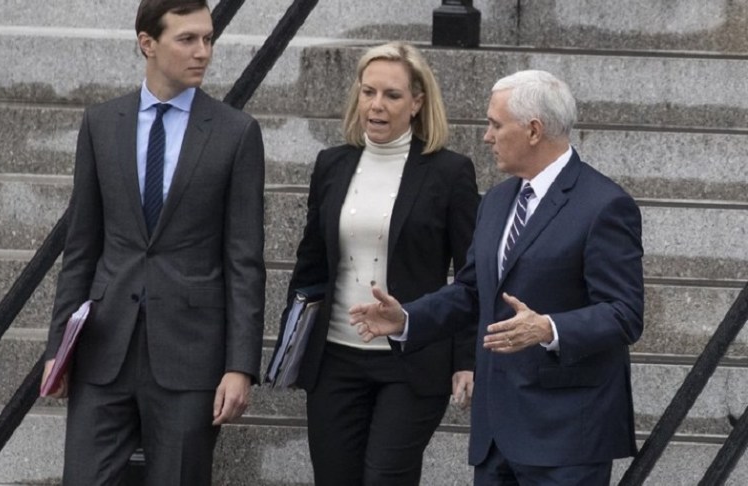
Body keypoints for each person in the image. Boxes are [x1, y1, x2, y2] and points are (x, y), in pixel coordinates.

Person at [350, 70, 644, 485]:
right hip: (495, 437)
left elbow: (624, 314)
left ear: (534, 130)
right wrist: (408, 319)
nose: (486, 136)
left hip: (566, 438)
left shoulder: (605, 205)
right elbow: (472, 290)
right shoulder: (498, 201)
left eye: (495, 124)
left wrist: (548, 328)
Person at [40, 1, 266, 484]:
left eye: (208, 39)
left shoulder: (236, 133)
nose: (203, 51)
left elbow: (245, 261)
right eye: (187, 39)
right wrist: (59, 348)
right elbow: (81, 245)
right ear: (148, 43)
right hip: (104, 350)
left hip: (190, 357)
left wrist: (240, 366)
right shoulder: (102, 123)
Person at [272, 42, 480, 485]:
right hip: (335, 360)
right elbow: (310, 263)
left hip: (411, 361)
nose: (376, 105)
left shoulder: (449, 172)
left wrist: (467, 359)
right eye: (368, 92)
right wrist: (293, 340)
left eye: (392, 95)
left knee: (386, 477)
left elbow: (470, 277)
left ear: (418, 103)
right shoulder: (332, 164)